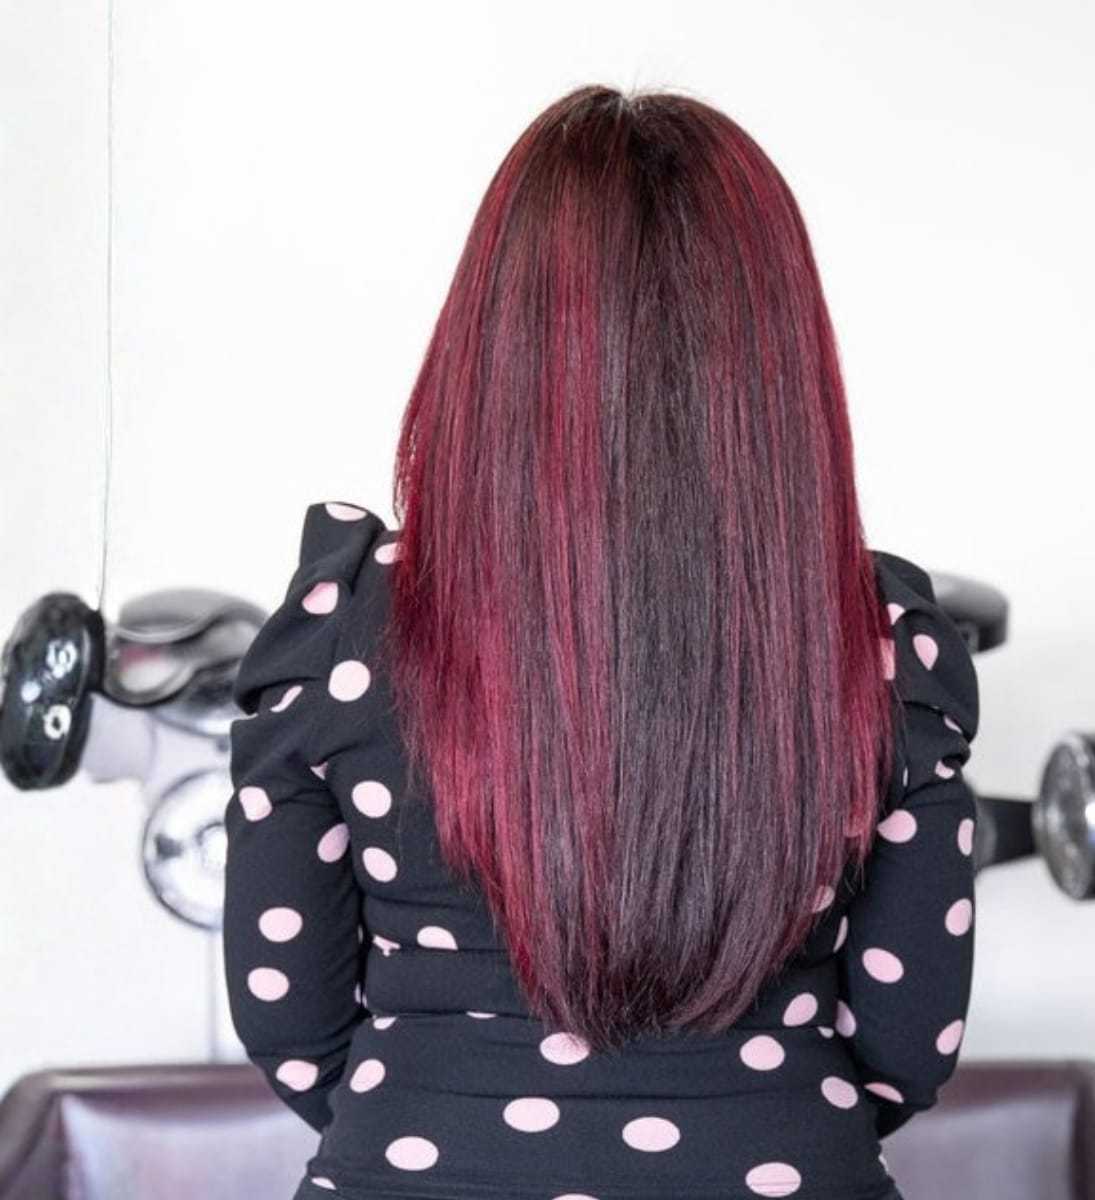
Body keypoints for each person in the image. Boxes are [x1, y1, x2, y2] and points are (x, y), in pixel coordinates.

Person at [222, 83, 980, 1200]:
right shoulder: (878, 644)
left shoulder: (346, 632)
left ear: (493, 346)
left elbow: (290, 1024)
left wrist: (444, 1107)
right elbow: (908, 1050)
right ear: (776, 368)